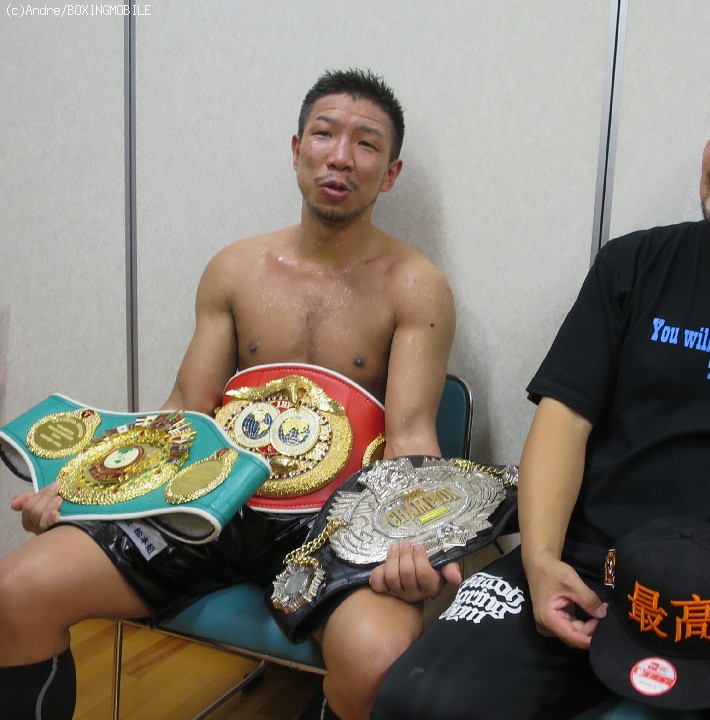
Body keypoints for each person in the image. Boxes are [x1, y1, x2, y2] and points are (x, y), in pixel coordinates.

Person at [373, 57, 710, 719]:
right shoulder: (632, 266)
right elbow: (564, 421)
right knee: (420, 701)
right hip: (596, 573)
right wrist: (540, 559)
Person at [0, 68, 458, 720]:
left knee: (378, 660)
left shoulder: (415, 285)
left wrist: (414, 542)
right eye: (324, 134)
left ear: (390, 173)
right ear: (296, 149)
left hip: (335, 524)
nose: (340, 156)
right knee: (15, 590)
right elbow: (185, 409)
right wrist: (84, 489)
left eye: (366, 143)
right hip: (206, 505)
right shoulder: (236, 269)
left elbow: (410, 435)